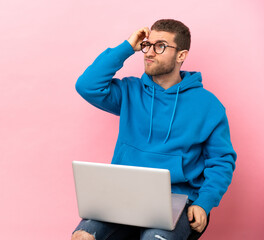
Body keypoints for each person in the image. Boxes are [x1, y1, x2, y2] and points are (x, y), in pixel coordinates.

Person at [72, 19, 236, 240]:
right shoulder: (130, 91)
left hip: (178, 199)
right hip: (123, 195)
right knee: (83, 236)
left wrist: (204, 203)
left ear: (181, 55)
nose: (149, 52)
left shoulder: (208, 105)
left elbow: (222, 160)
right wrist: (128, 46)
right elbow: (87, 85)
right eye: (148, 45)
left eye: (160, 46)